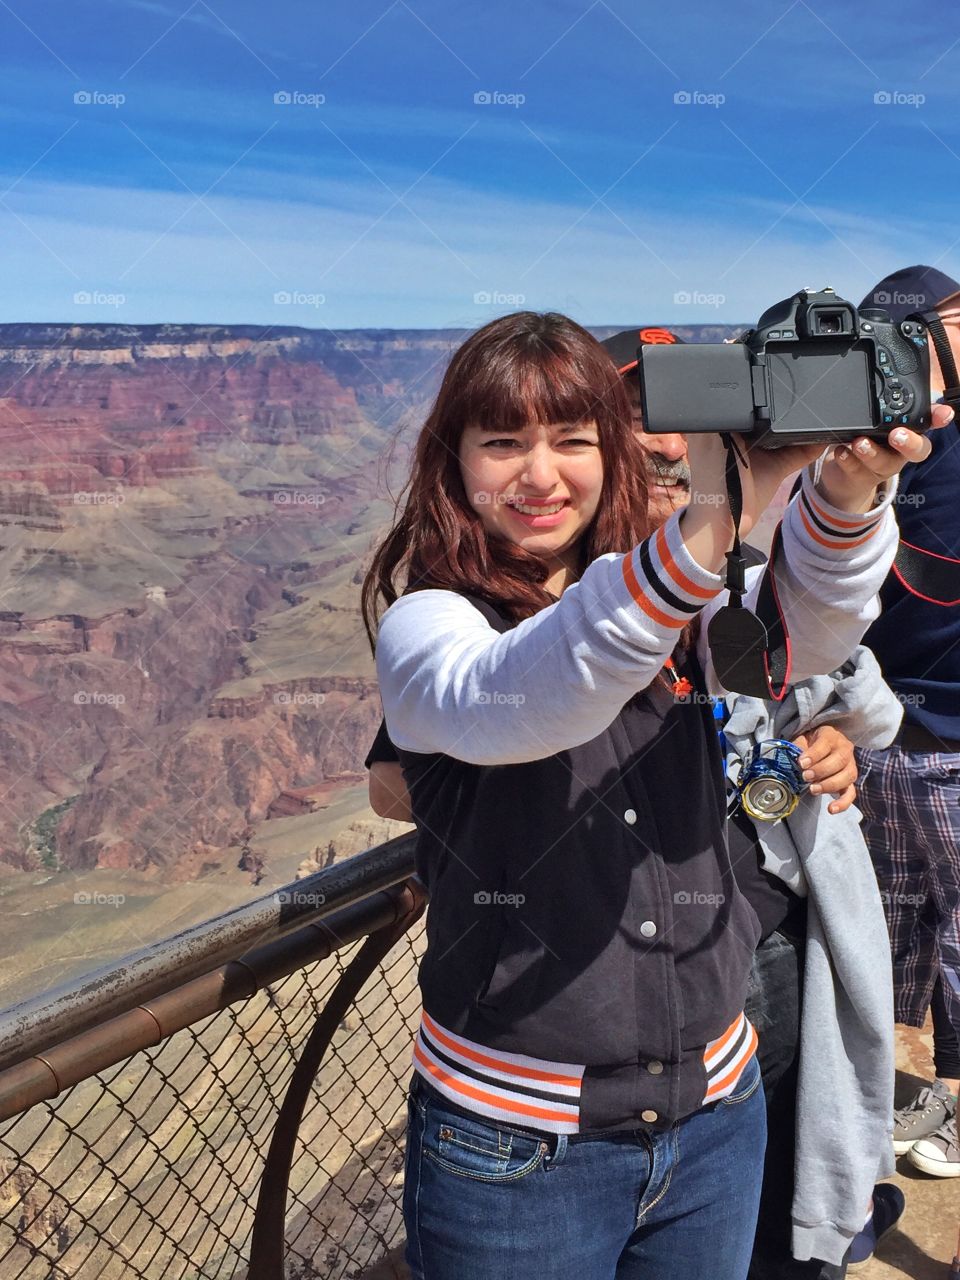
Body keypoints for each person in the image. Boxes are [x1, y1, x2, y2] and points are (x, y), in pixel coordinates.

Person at [361, 310, 945, 1280]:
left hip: (715, 1119)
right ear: (451, 463)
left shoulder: (676, 605)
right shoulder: (431, 626)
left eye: (573, 440)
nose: (540, 474)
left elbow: (805, 638)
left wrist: (845, 494)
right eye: (502, 442)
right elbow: (537, 692)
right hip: (519, 1146)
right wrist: (710, 523)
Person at [855, 267, 960, 1189]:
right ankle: (932, 1095)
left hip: (948, 740)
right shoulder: (869, 443)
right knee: (892, 943)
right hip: (877, 736)